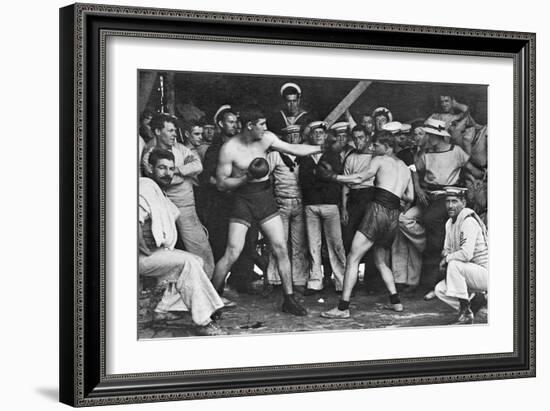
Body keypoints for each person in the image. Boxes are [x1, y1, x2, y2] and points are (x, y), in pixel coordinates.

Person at [211, 104, 324, 315]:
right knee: (233, 251)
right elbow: (221, 183)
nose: (265, 128)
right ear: (250, 125)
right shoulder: (229, 149)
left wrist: (321, 148)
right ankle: (212, 299)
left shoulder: (267, 138)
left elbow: (294, 149)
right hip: (242, 199)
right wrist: (246, 177)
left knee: (281, 247)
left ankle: (289, 300)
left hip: (264, 197)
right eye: (261, 125)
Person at [319, 130, 414, 318]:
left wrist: (333, 177)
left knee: (353, 257)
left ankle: (343, 308)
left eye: (376, 145)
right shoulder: (404, 166)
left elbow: (359, 178)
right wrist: (392, 191)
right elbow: (410, 196)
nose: (373, 148)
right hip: (393, 214)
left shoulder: (379, 160)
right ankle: (396, 303)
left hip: (378, 210)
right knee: (380, 260)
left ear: (386, 147)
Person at [138, 149, 225, 336]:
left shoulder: (158, 191)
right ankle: (203, 321)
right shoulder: (144, 187)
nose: (167, 173)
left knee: (197, 261)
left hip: (153, 253)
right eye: (161, 168)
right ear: (150, 168)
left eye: (170, 168)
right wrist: (143, 249)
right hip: (140, 257)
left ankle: (163, 310)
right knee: (189, 262)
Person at [142, 113, 216, 278]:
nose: (175, 134)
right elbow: (165, 180)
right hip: (166, 208)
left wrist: (177, 170)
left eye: (175, 130)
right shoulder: (149, 154)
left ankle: (210, 288)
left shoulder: (180, 148)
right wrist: (184, 173)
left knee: (200, 246)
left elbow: (198, 165)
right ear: (157, 131)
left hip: (186, 205)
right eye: (170, 130)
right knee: (165, 250)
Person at [299, 121, 347, 295]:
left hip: (330, 204)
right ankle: (315, 282)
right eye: (315, 133)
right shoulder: (304, 156)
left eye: (321, 132)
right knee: (313, 244)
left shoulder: (332, 155)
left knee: (336, 244)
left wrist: (319, 178)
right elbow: (303, 181)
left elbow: (337, 179)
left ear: (325, 136)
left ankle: (342, 282)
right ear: (310, 136)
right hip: (311, 204)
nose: (318, 135)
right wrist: (321, 177)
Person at [434, 187, 488, 325]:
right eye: (447, 201)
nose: (450, 205)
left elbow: (466, 254)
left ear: (463, 203)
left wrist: (447, 259)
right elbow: (446, 250)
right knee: (440, 290)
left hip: (485, 273)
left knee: (453, 264)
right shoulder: (449, 223)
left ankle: (466, 312)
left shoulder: (468, 221)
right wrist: (446, 256)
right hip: (470, 272)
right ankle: (474, 304)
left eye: (454, 201)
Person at [265, 124, 309, 293]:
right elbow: (266, 178)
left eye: (296, 135)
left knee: (299, 244)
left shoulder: (303, 154)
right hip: (280, 203)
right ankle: (274, 279)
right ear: (284, 138)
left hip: (299, 202)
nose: (293, 138)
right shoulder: (275, 155)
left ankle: (299, 280)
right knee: (278, 243)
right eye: (289, 135)